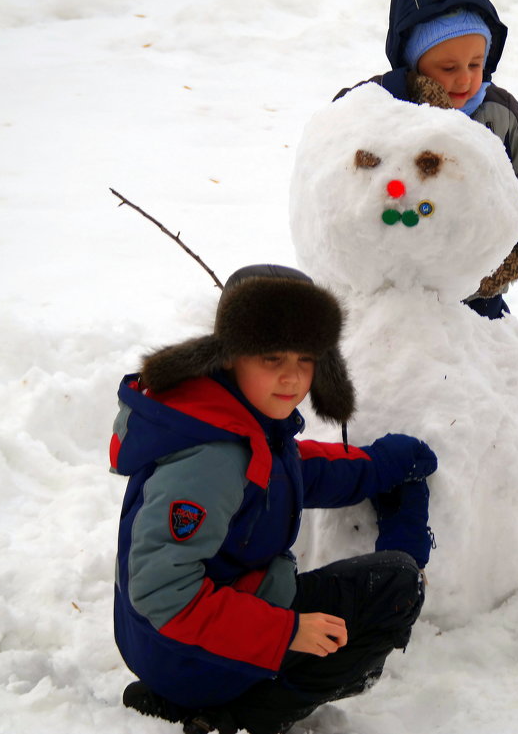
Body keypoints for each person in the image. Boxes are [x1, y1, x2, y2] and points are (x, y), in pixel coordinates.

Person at [109, 264, 437, 734]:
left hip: (167, 647)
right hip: (188, 651)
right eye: (271, 358)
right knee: (397, 586)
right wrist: (287, 632)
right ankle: (240, 714)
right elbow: (165, 594)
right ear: (228, 356)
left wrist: (378, 465)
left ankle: (194, 694)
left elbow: (293, 471)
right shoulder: (211, 459)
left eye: (305, 359)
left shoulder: (228, 420)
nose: (292, 378)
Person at [336, 0, 518, 319]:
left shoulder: (500, 112)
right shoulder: (387, 103)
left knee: (482, 362)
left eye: (476, 63)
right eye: (448, 68)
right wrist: (405, 91)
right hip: (394, 286)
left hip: (477, 289)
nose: (466, 80)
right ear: (415, 63)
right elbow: (338, 124)